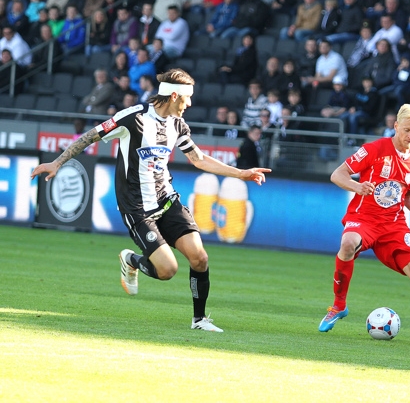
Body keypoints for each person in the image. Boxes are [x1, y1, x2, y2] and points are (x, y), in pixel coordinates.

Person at [30, 69, 271, 333]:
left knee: (200, 258)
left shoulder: (178, 124)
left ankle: (199, 320)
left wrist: (241, 173)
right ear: (174, 95)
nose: (190, 104)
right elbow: (90, 136)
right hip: (137, 208)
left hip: (167, 200)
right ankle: (132, 260)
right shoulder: (132, 118)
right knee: (168, 270)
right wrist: (57, 162)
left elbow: (198, 159)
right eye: (187, 98)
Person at [318, 103, 410, 349]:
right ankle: (339, 306)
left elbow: (408, 196)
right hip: (364, 217)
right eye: (407, 130)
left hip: (393, 226)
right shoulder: (374, 149)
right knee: (347, 243)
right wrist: (357, 187)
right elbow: (338, 174)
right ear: (396, 126)